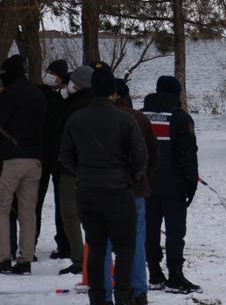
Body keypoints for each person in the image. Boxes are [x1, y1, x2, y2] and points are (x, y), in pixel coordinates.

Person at [60, 66, 148, 305]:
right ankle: (123, 298)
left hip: (88, 191)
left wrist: (82, 173)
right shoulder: (125, 118)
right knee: (126, 249)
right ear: (113, 92)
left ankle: (98, 299)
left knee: (97, 247)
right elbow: (140, 156)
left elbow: (65, 156)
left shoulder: (76, 118)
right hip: (119, 191)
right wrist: (128, 177)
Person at [141, 76, 200, 293]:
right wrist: (191, 183)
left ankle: (155, 273)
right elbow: (188, 155)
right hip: (173, 183)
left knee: (150, 229)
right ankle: (175, 276)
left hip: (145, 182)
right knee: (175, 231)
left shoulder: (140, 116)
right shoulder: (180, 118)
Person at [103, 79, 159, 305]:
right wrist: (141, 176)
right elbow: (152, 155)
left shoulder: (91, 118)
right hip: (134, 189)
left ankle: (103, 292)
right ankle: (138, 291)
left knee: (101, 245)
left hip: (100, 189)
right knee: (135, 242)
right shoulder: (139, 119)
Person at [0, 55, 47, 275]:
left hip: (11, 159)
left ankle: (3, 257)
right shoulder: (38, 93)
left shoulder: (9, 95)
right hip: (35, 159)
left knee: (2, 208)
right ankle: (25, 259)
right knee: (28, 211)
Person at [57, 65, 95, 275]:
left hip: (73, 168)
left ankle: (80, 257)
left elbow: (64, 138)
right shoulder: (97, 105)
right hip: (94, 167)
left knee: (70, 213)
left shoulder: (71, 107)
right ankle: (94, 254)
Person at [38, 60, 72, 261]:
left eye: (53, 73)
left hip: (59, 157)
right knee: (35, 202)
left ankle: (64, 243)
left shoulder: (67, 97)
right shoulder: (41, 93)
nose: (49, 76)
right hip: (42, 154)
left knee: (63, 204)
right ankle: (30, 243)